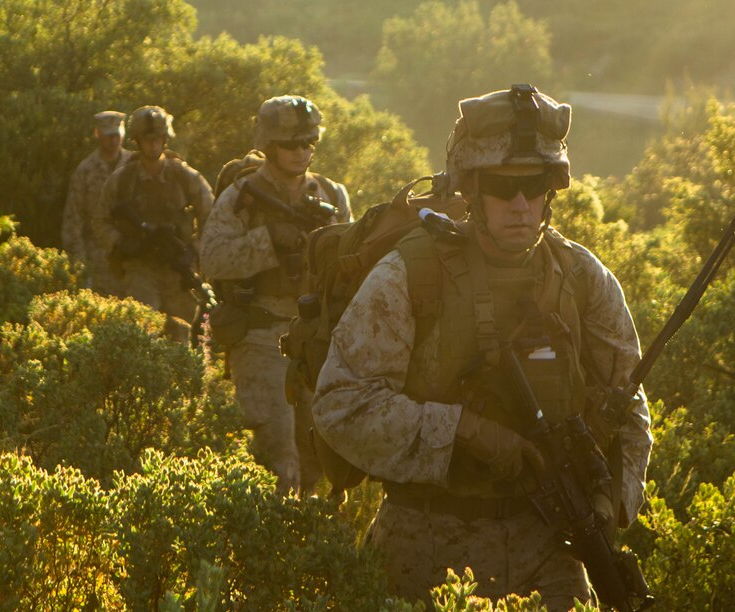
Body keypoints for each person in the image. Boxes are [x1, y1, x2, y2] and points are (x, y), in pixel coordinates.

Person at [312, 84, 653, 608]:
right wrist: (464, 433)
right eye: (501, 186)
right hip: (425, 545)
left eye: (534, 186)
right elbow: (341, 405)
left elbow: (629, 407)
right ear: (470, 189)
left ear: (551, 190)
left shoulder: (582, 277)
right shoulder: (410, 274)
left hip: (551, 552)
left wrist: (610, 503)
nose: (520, 205)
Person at [200, 95, 351, 494]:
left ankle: (308, 530)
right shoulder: (241, 196)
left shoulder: (332, 195)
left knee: (319, 455)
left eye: (309, 142)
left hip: (316, 339)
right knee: (275, 457)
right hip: (261, 336)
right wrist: (268, 240)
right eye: (291, 144)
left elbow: (354, 264)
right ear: (269, 145)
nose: (302, 151)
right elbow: (212, 258)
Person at [93, 105, 214, 341]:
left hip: (177, 268)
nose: (153, 145)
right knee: (142, 333)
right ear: (137, 141)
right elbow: (100, 220)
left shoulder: (184, 175)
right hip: (140, 268)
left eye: (157, 139)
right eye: (147, 140)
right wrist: (122, 243)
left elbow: (211, 212)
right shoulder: (123, 179)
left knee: (182, 336)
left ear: (165, 140)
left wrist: (195, 249)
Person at [63, 110, 131, 295]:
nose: (113, 140)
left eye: (117, 135)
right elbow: (73, 221)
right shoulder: (85, 171)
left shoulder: (135, 165)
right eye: (108, 136)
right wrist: (80, 267)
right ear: (97, 133)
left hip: (134, 260)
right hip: (99, 261)